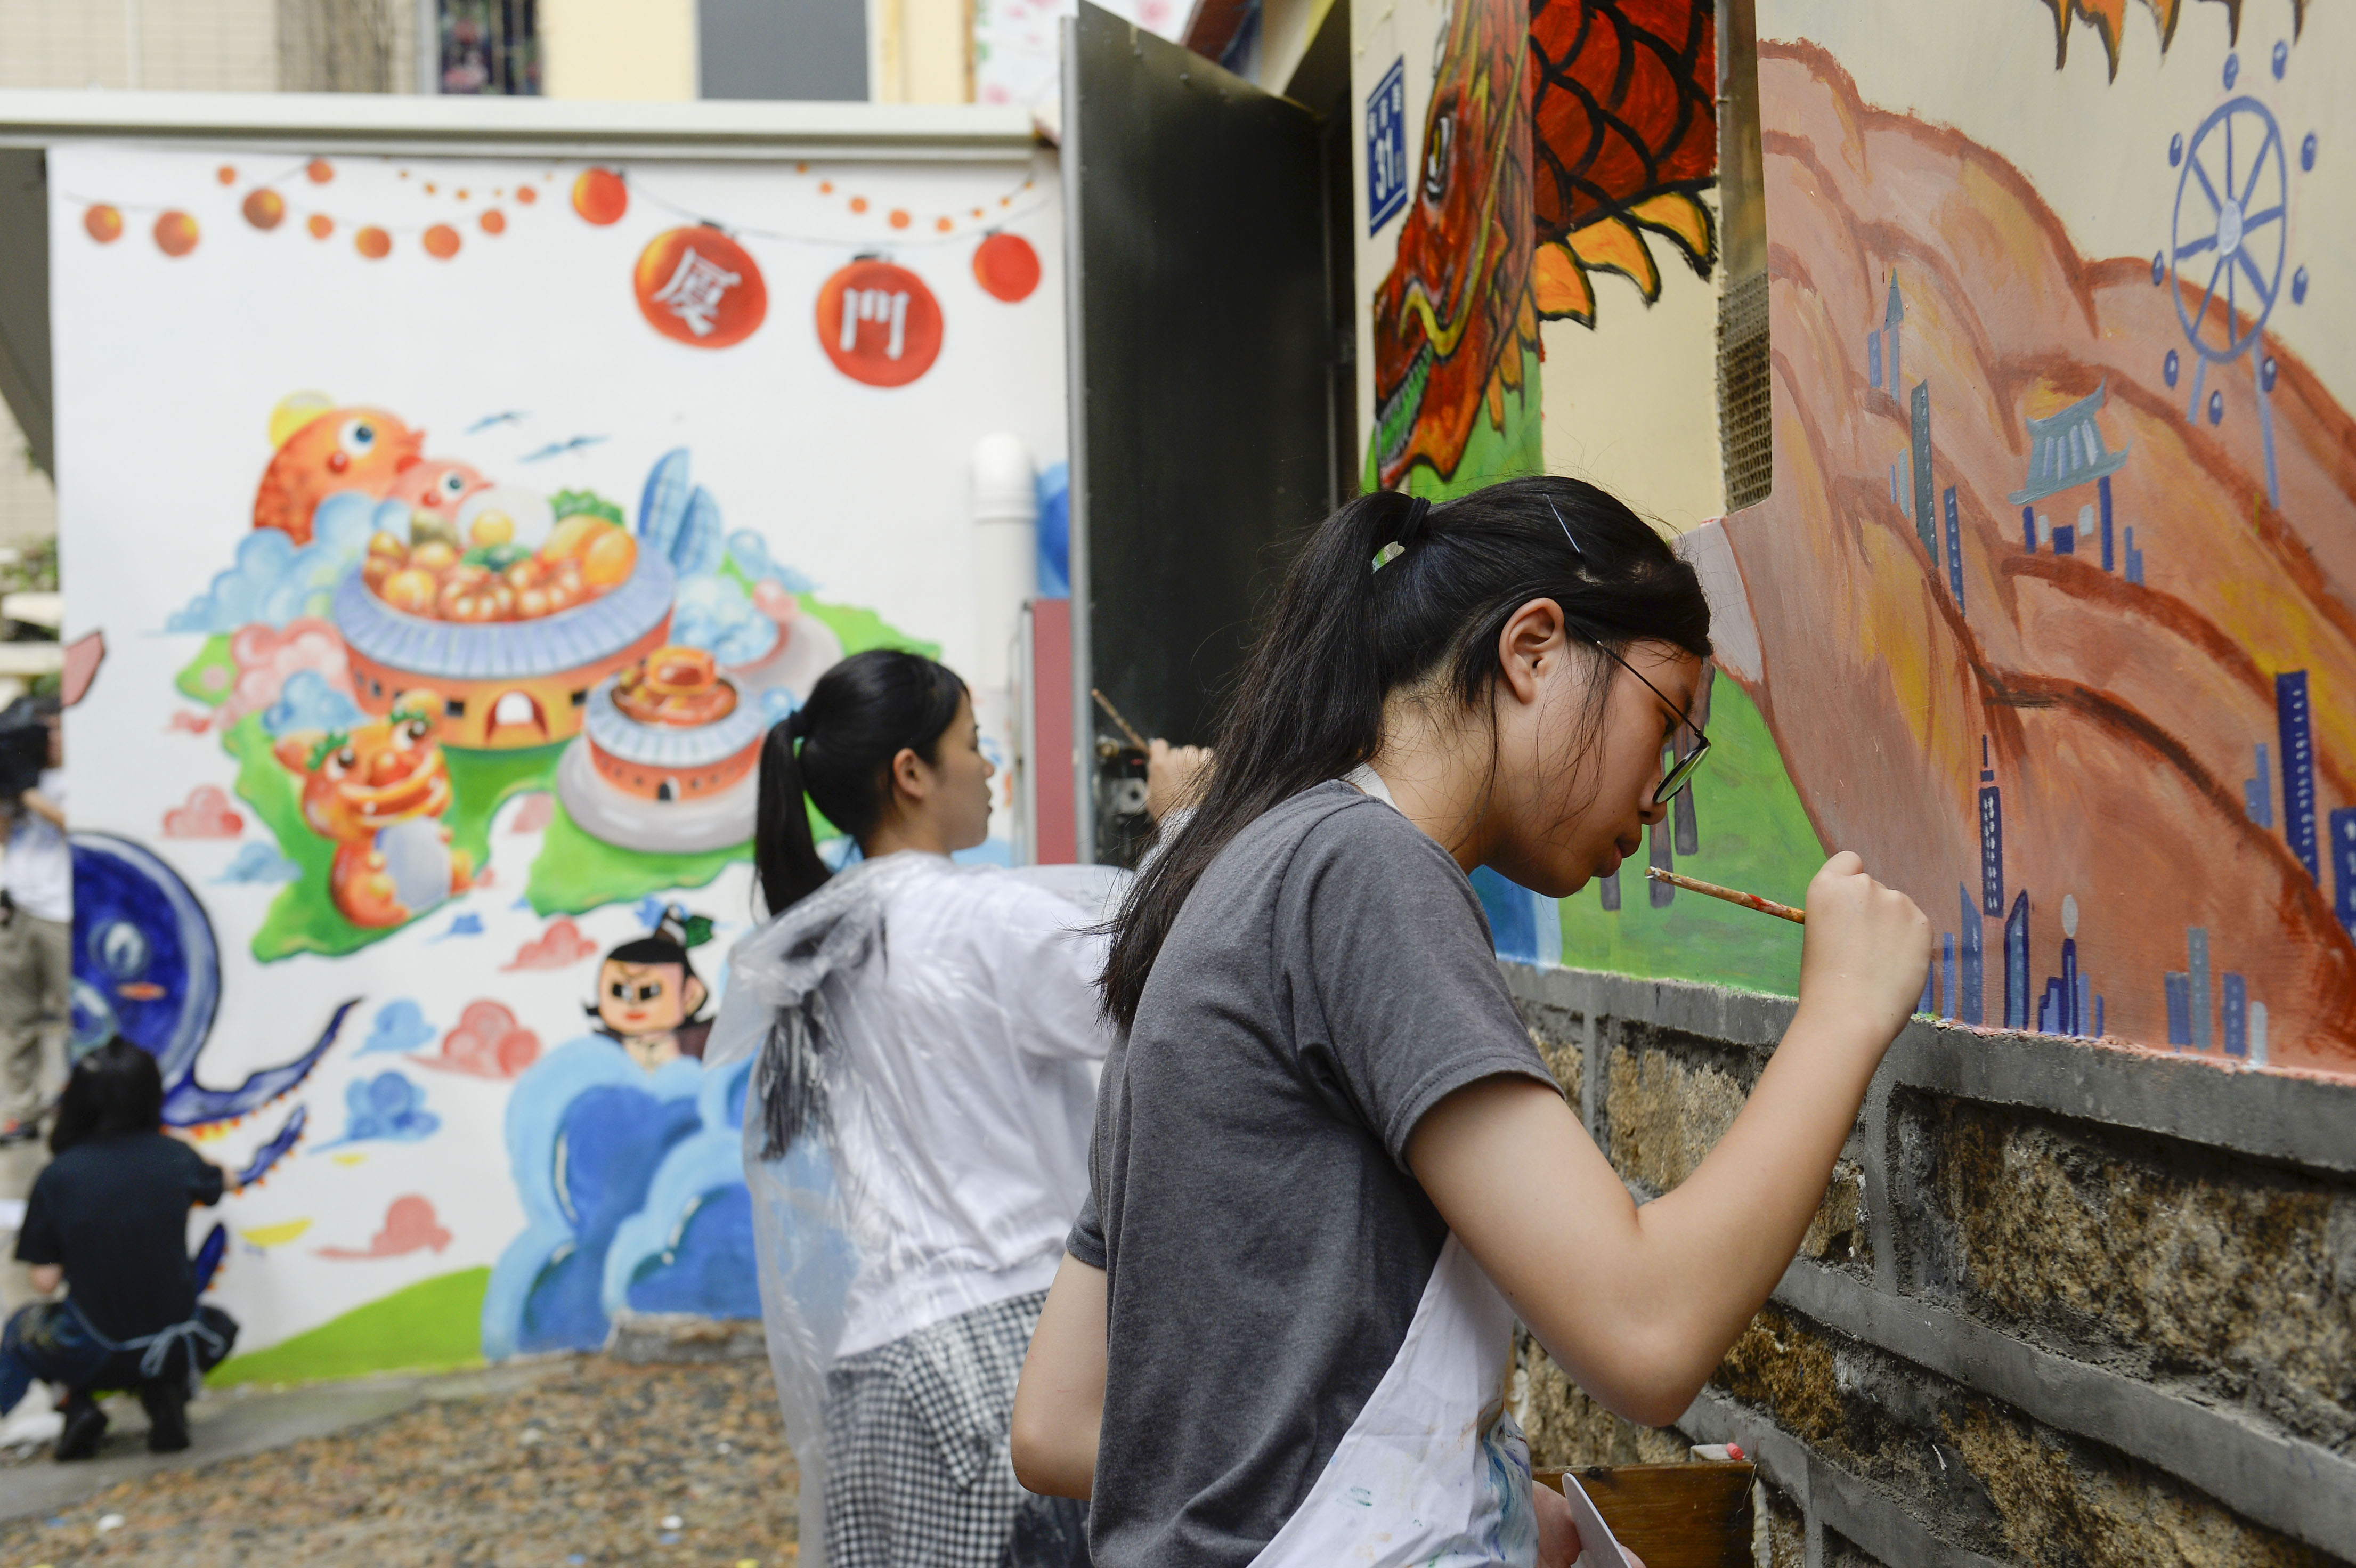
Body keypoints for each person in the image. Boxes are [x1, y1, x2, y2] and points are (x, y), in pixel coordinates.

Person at [1010, 478, 1931, 1568]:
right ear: (1534, 650)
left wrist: (1477, 1495)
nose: (1661, 793)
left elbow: (1061, 1420)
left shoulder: (1231, 876)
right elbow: (1645, 1330)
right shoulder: (1365, 871)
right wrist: (1842, 1014)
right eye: (1667, 722)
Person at [708, 649, 1203, 1568]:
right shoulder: (978, 918)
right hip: (1004, 1358)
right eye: (972, 744)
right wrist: (1185, 826)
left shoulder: (825, 936)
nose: (989, 768)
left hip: (877, 1370)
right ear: (909, 774)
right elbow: (1175, 990)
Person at [1, 1038, 239, 1460]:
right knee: (219, 1322)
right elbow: (227, 1179)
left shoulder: (59, 1176)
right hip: (181, 1343)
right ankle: (165, 1393)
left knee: (25, 1327)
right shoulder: (174, 1158)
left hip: (95, 1352)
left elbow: (45, 1281)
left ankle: (77, 1406)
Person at [0, 700, 69, 1143]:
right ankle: (20, 1111)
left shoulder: (80, 779)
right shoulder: (19, 772)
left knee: (73, 1017)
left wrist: (27, 793)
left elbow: (81, 827)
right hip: (18, 908)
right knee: (15, 1018)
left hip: (64, 912)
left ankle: (73, 1109)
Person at [585, 906, 717, 1070]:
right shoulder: (603, 1050)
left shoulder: (705, 1043)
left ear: (691, 995)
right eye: (619, 991)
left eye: (649, 992)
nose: (633, 1003)